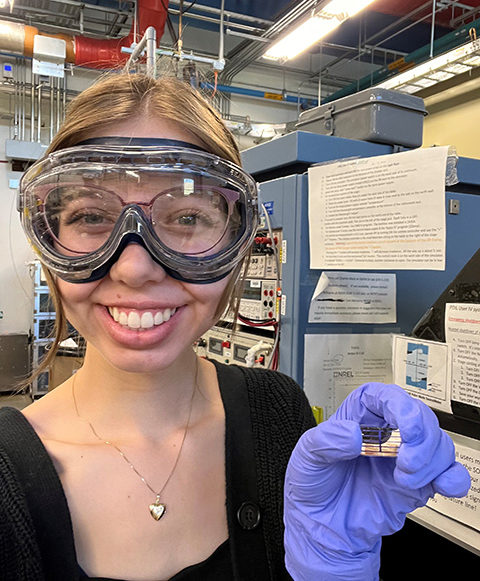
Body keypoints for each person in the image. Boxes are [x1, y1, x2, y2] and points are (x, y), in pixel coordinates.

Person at [0, 73, 470, 581]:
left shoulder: (280, 414)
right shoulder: (6, 480)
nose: (134, 268)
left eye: (186, 219)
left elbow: (373, 450)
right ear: (48, 242)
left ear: (237, 242)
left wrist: (395, 452)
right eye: (91, 215)